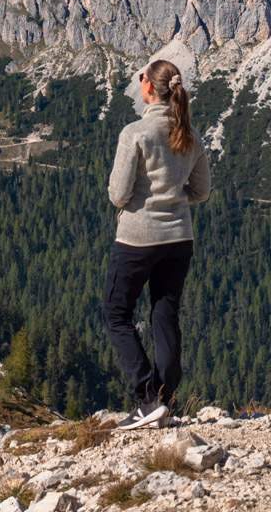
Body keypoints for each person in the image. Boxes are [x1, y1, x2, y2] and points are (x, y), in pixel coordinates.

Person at [103, 57, 212, 430]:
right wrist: (174, 197)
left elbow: (118, 194)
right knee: (165, 314)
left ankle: (147, 397)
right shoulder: (191, 135)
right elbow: (201, 191)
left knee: (116, 313)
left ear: (148, 86)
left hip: (137, 238)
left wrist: (142, 200)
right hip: (179, 238)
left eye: (141, 78)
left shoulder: (136, 133)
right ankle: (165, 400)